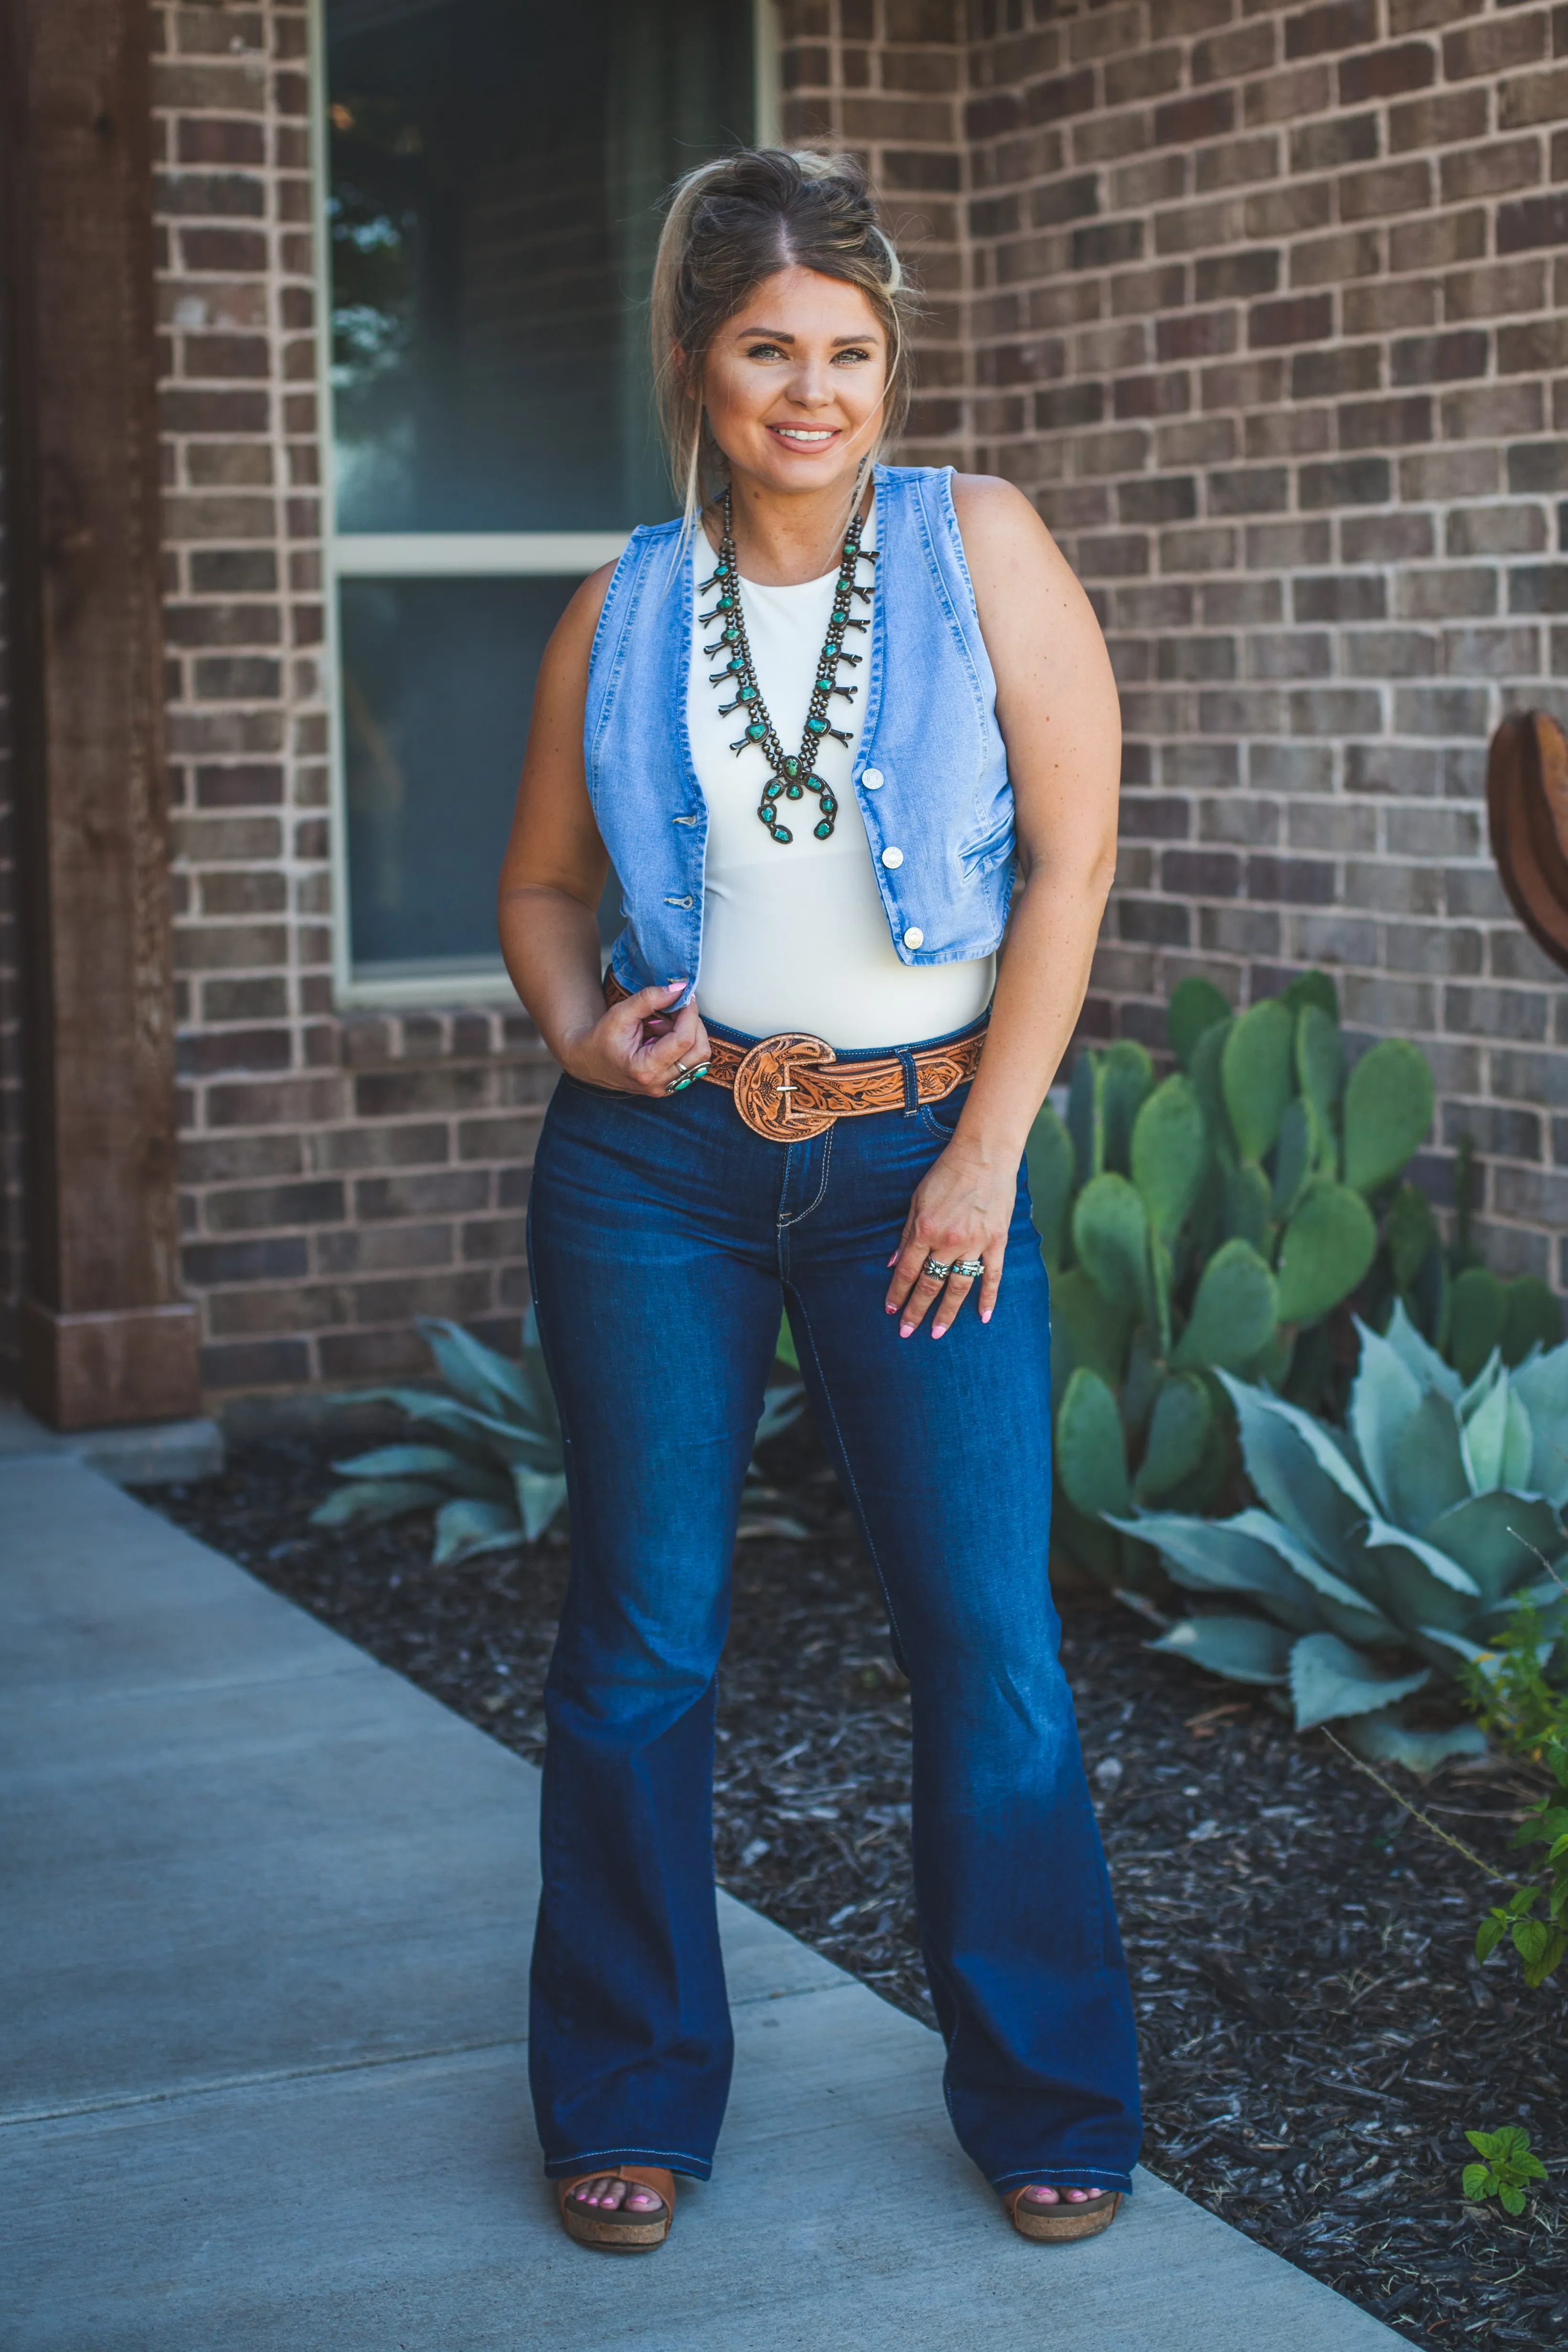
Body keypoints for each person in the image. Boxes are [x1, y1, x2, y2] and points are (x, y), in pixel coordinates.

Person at [497, 146, 1140, 2256]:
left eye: (849, 352)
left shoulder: (983, 547)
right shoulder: (623, 603)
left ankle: (1048, 2094)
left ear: (890, 365)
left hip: (915, 1162)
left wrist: (982, 1151)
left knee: (988, 1645)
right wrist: (590, 1036)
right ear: (697, 361)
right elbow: (540, 894)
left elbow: (1068, 867)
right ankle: (629, 2089)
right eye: (769, 347)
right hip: (656, 1174)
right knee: (640, 1644)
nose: (813, 390)